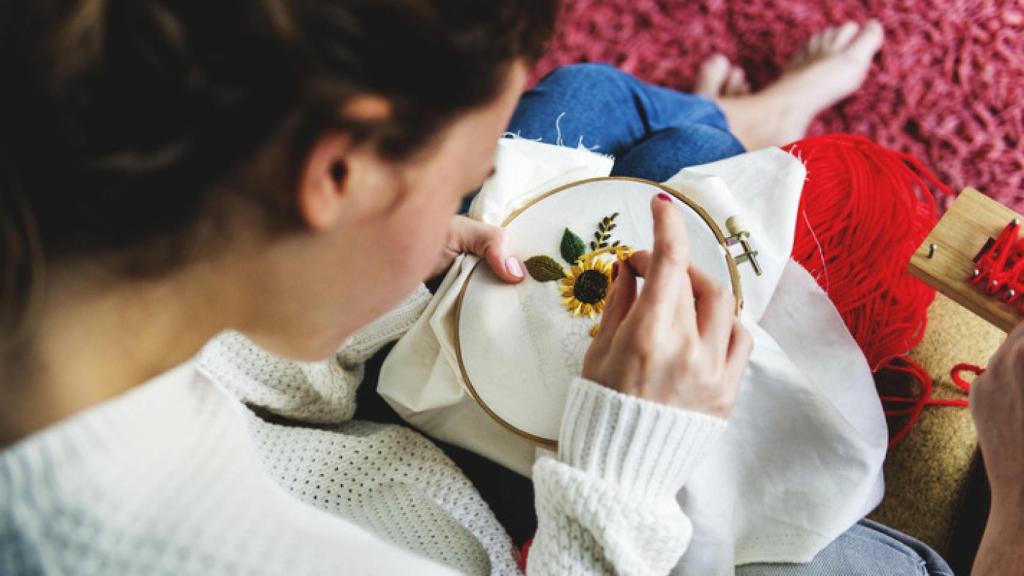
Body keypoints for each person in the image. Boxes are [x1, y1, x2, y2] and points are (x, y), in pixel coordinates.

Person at [0, 1, 1008, 574]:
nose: (478, 183)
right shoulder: (176, 549)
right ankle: (730, 130)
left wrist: (354, 273)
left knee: (583, 102)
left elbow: (239, 381)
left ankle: (740, 125)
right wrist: (624, 460)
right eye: (468, 162)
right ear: (339, 175)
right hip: (515, 538)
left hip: (367, 447)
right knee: (667, 159)